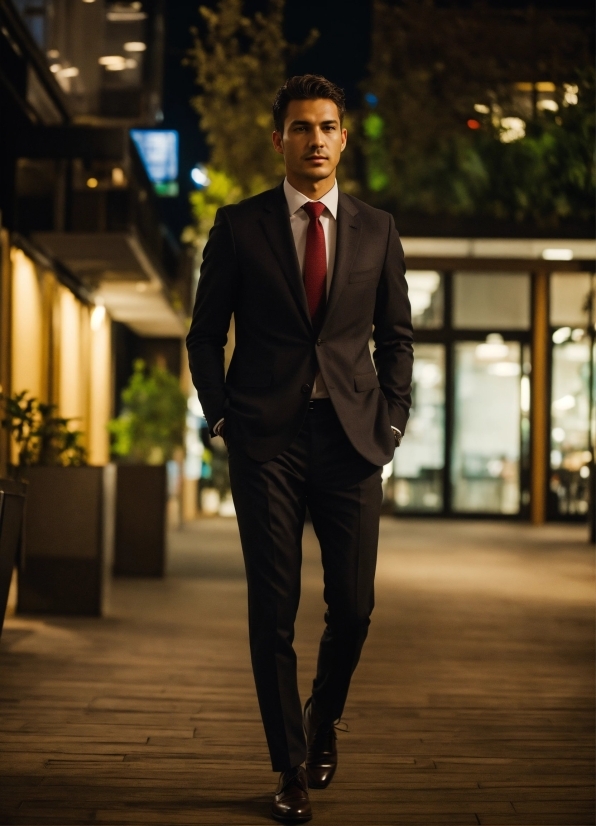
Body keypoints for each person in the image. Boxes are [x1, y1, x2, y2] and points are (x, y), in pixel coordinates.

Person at [186, 74, 413, 823]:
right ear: (278, 137)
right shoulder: (240, 225)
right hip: (267, 442)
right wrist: (222, 420)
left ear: (344, 138)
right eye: (299, 127)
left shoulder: (377, 230)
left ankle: (322, 717)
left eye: (326, 127)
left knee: (354, 608)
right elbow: (203, 334)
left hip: (351, 439)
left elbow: (395, 336)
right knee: (272, 611)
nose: (314, 140)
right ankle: (288, 765)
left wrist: (394, 420)